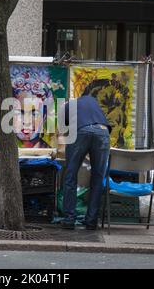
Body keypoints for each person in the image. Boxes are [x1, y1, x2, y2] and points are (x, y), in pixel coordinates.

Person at [60, 94, 111, 230]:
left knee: (71, 176)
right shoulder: (93, 102)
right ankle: (91, 221)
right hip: (103, 132)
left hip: (80, 132)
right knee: (98, 178)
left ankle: (69, 219)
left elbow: (64, 128)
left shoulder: (68, 106)